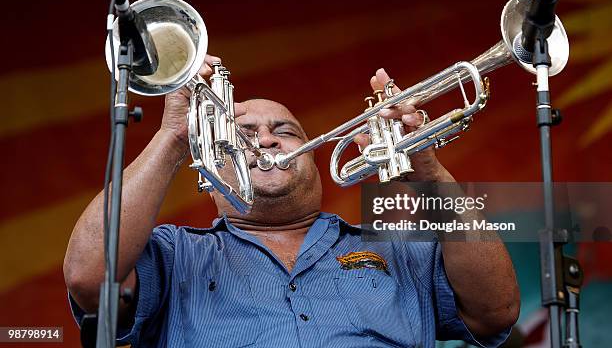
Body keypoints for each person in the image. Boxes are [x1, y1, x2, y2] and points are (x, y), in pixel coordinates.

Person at [64, 54, 520, 347]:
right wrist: (174, 136)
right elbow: (89, 278)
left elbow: (495, 311)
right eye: (243, 136)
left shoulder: (396, 247)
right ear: (211, 160)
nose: (266, 141)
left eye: (284, 133)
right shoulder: (175, 253)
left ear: (314, 159)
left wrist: (427, 169)